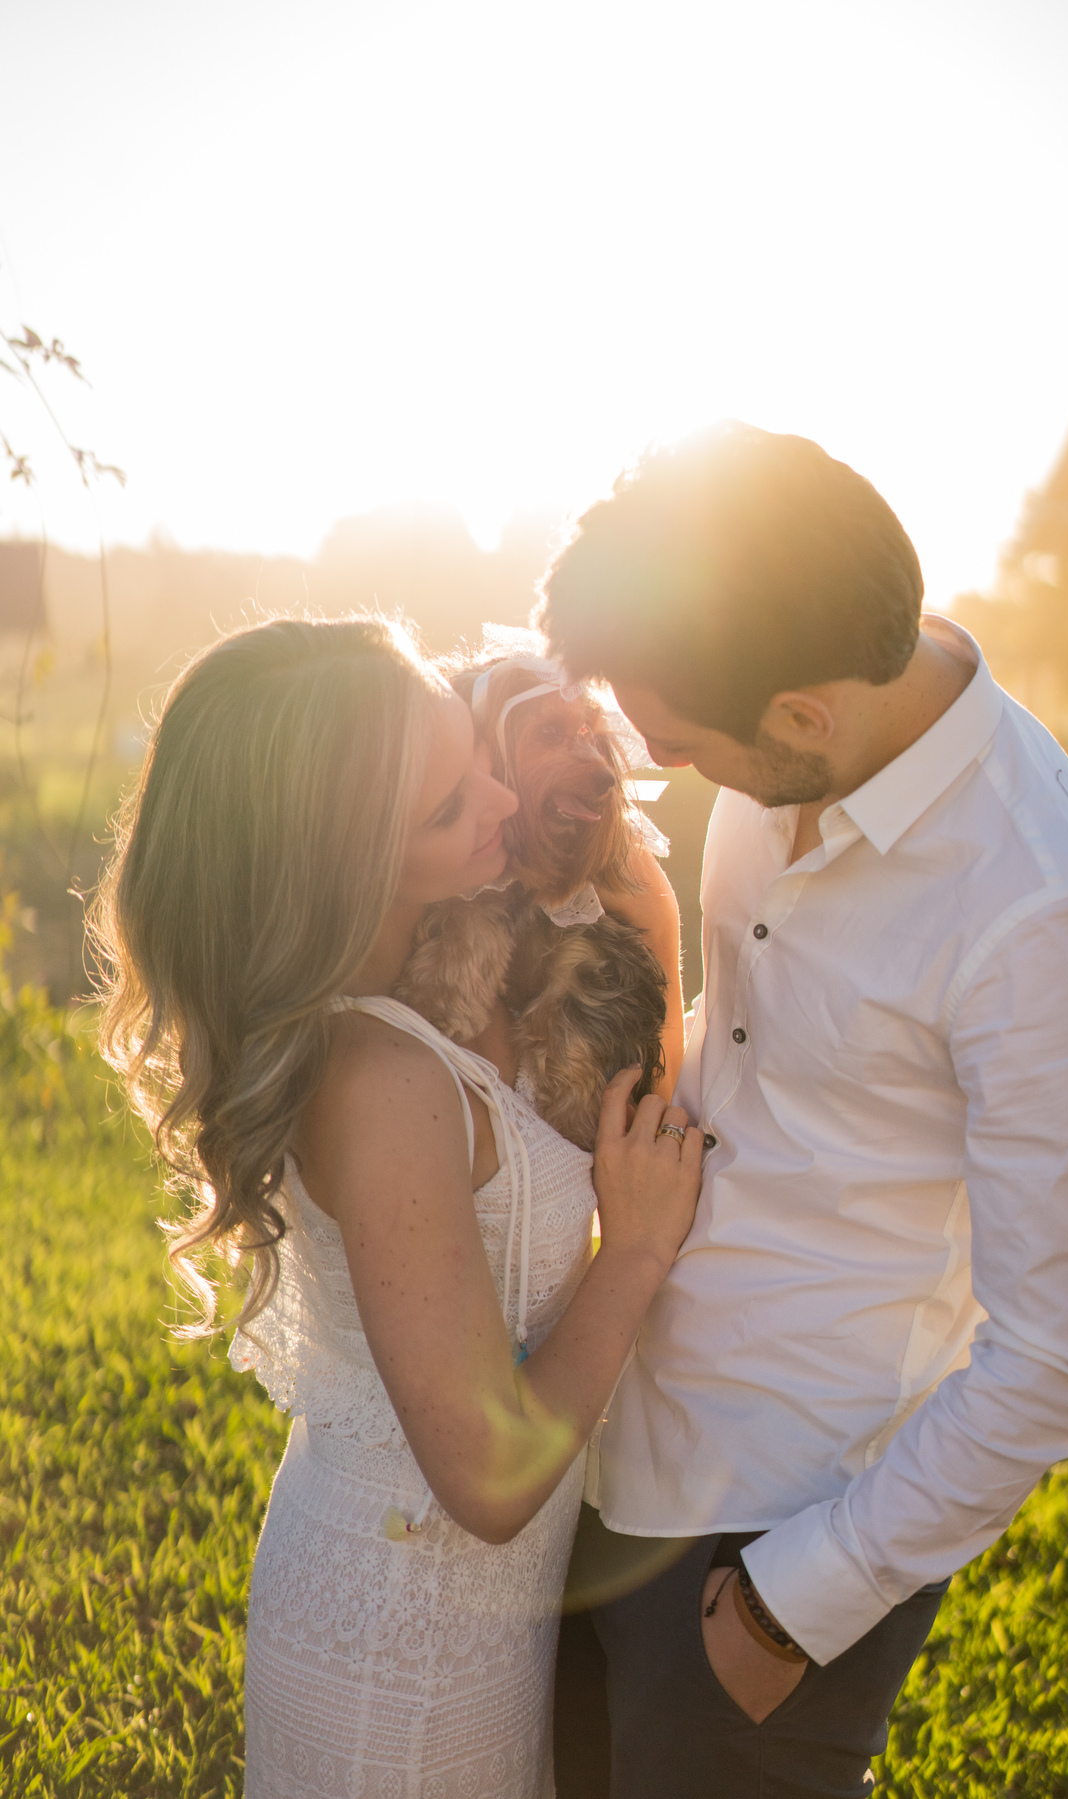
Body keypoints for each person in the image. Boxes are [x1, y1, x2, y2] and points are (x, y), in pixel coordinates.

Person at [541, 422, 1068, 1798]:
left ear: (804, 719)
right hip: (606, 1441)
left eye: (686, 749)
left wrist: (790, 1605)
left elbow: (1058, 1362)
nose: (677, 771)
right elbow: (767, 1045)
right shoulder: (789, 732)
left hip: (779, 1526)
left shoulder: (1050, 912)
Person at [93, 615, 701, 1799]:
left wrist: (661, 926)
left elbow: (630, 1099)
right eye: (447, 806)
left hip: (479, 1619)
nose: (497, 800)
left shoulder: (457, 961)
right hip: (402, 1643)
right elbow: (486, 1479)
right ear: (347, 863)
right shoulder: (381, 1080)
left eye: (470, 749)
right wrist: (629, 1259)